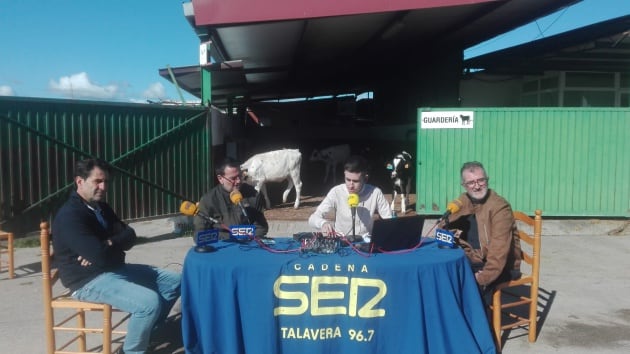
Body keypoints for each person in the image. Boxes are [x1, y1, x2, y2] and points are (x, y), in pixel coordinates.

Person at [52, 158, 181, 354]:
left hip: (112, 269)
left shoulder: (101, 207)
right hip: (87, 280)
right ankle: (131, 350)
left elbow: (130, 236)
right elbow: (101, 255)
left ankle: (148, 332)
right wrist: (104, 248)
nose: (103, 187)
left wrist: (108, 243)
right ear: (80, 181)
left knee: (175, 282)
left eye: (106, 182)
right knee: (149, 303)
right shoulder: (70, 216)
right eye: (97, 181)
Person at [444, 161, 522, 292]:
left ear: (487, 180)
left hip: (499, 265)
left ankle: (479, 312)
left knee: (464, 287)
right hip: (472, 258)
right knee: (442, 276)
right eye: (471, 183)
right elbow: (444, 227)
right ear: (464, 185)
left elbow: (499, 251)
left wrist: (482, 278)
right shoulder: (463, 200)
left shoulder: (499, 207)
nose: (477, 186)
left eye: (481, 180)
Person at [309, 155, 393, 238]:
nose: (350, 185)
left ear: (365, 179)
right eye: (348, 180)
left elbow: (389, 220)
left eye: (356, 181)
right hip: (341, 242)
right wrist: (323, 223)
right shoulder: (336, 191)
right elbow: (312, 219)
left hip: (365, 243)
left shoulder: (375, 193)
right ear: (344, 174)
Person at [194, 158, 269, 240]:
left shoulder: (253, 194)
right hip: (221, 247)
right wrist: (232, 236)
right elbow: (200, 234)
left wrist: (251, 238)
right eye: (233, 178)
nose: (238, 181)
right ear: (220, 179)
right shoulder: (208, 200)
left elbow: (262, 227)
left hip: (249, 244)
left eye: (240, 176)